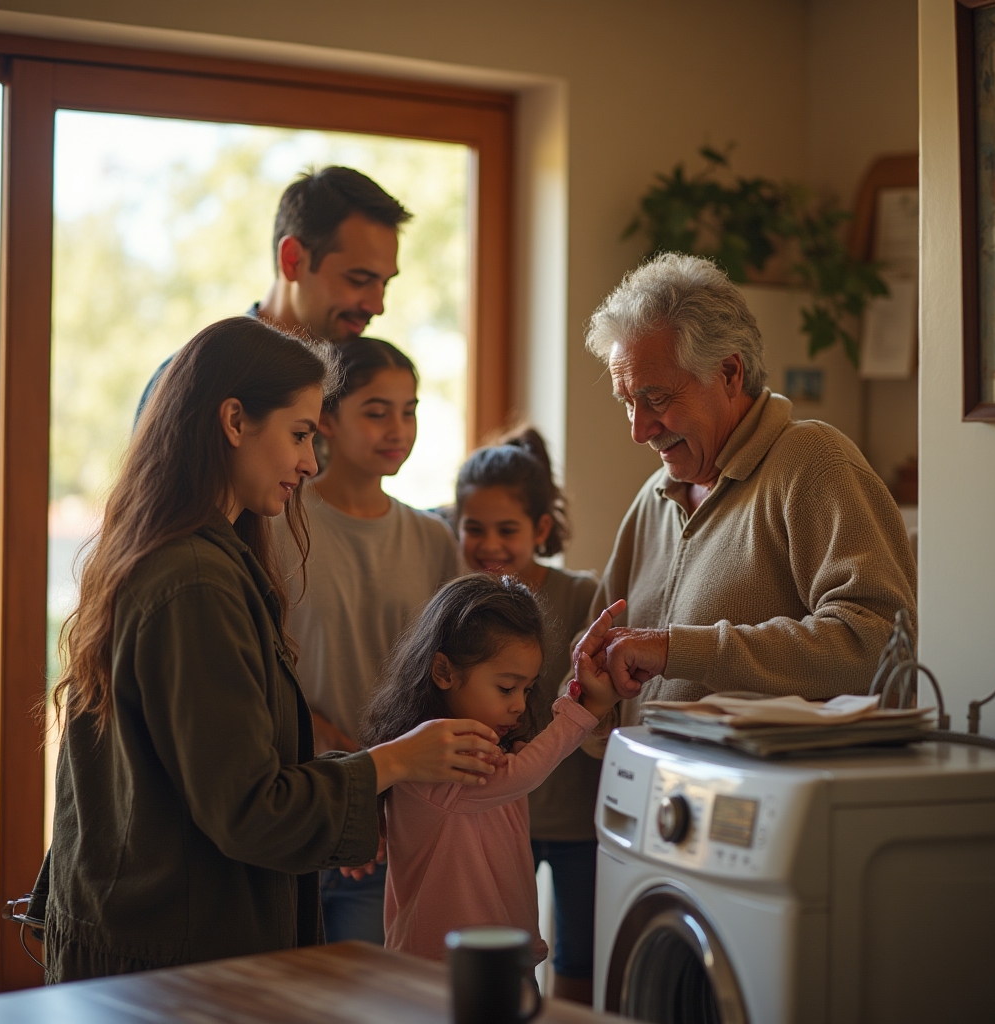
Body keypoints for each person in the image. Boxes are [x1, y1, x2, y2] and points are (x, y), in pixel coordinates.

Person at [45, 316, 503, 982]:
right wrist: (395, 762)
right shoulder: (193, 582)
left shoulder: (196, 558)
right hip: (168, 963)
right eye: (298, 435)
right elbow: (249, 809)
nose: (310, 463)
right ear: (234, 421)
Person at [579, 252, 917, 723]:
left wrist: (680, 648)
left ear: (729, 374)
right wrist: (593, 702)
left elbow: (878, 645)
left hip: (771, 792)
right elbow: (597, 684)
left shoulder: (812, 462)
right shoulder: (653, 501)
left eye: (656, 398)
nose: (640, 430)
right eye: (628, 403)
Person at [276, 337, 460, 945]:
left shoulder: (433, 539)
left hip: (402, 818)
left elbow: (450, 682)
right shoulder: (277, 522)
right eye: (377, 410)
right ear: (326, 418)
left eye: (409, 410)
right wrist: (352, 772)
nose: (398, 428)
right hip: (299, 805)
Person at [360, 574, 625, 967]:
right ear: (444, 672)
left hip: (493, 956)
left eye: (527, 689)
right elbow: (520, 774)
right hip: (442, 965)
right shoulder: (436, 758)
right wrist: (585, 711)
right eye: (506, 688)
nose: (519, 704)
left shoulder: (482, 749)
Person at [455, 427, 599, 1004]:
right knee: (504, 951)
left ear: (540, 530)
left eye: (507, 529)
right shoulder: (459, 606)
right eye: (474, 528)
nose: (490, 544)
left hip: (576, 817)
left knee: (580, 954)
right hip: (493, 817)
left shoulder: (580, 595)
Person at [136, 166, 410, 414]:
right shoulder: (199, 380)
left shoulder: (360, 384)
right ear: (293, 260)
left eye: (385, 283)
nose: (377, 306)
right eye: (359, 279)